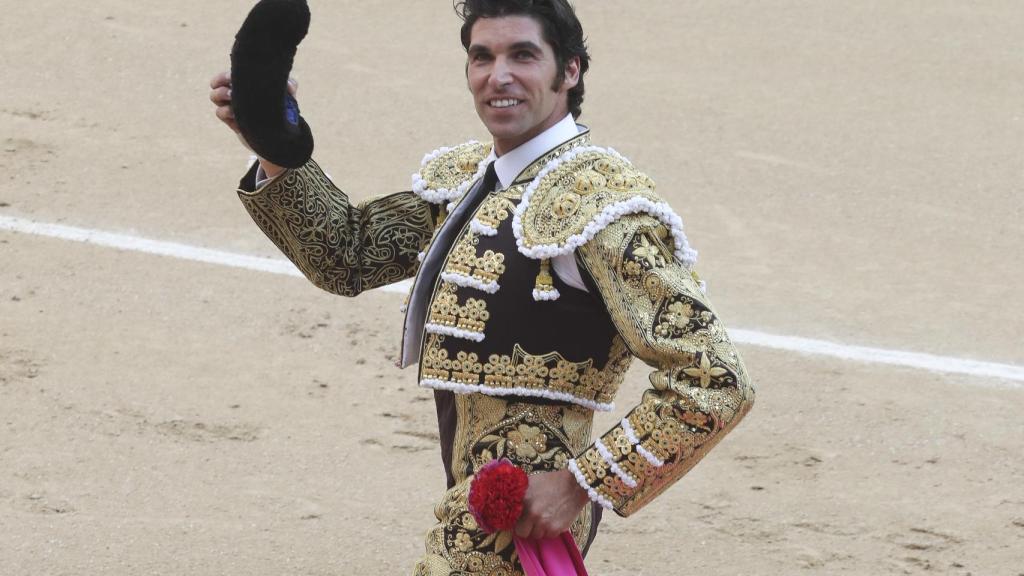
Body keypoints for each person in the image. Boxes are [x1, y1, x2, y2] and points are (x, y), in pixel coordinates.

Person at [210, 1, 754, 573]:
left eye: (523, 55)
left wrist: (580, 482)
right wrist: (275, 145)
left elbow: (717, 379)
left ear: (569, 71)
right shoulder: (469, 181)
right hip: (472, 496)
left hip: (520, 514)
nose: (499, 75)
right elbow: (348, 254)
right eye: (482, 56)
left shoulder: (603, 209)